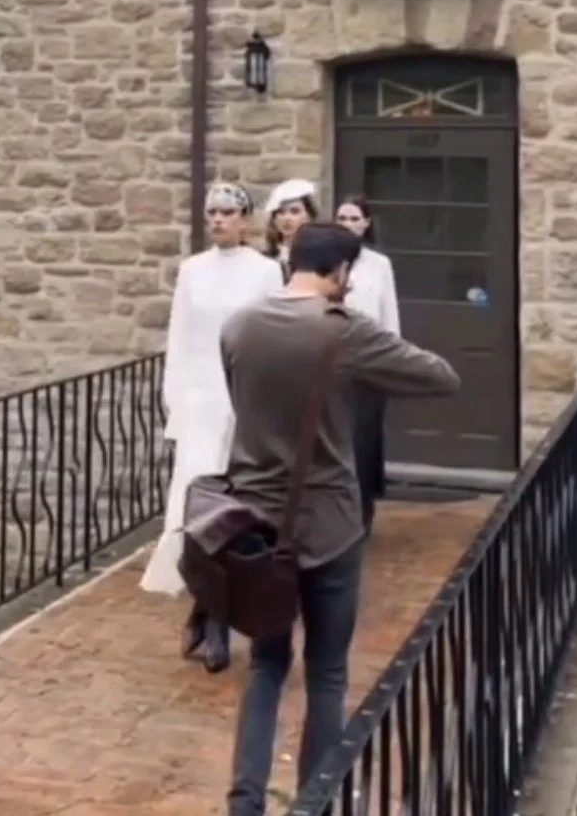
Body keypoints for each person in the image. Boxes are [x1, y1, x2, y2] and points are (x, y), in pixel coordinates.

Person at [219, 223, 460, 816]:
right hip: (327, 523)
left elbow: (241, 401)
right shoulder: (344, 334)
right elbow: (440, 376)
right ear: (341, 273)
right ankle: (316, 800)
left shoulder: (239, 326)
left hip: (253, 523)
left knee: (267, 666)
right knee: (326, 672)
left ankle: (245, 802)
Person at [141, 181, 283, 674]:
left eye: (228, 212)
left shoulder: (267, 272)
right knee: (195, 510)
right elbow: (179, 337)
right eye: (213, 212)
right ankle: (209, 611)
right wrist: (174, 399)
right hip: (201, 402)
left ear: (245, 219)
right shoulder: (192, 271)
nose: (219, 220)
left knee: (237, 513)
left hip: (243, 402)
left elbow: (272, 337)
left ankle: (215, 614)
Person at [335, 195, 400, 533]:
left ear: (366, 223)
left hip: (369, 362)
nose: (347, 224)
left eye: (353, 218)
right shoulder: (328, 262)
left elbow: (389, 314)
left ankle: (362, 509)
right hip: (334, 361)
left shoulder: (379, 265)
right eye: (341, 218)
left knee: (364, 438)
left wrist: (392, 361)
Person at [263, 178, 318, 282]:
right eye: (281, 212)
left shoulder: (318, 256)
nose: (287, 218)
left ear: (309, 216)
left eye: (295, 211)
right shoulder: (265, 258)